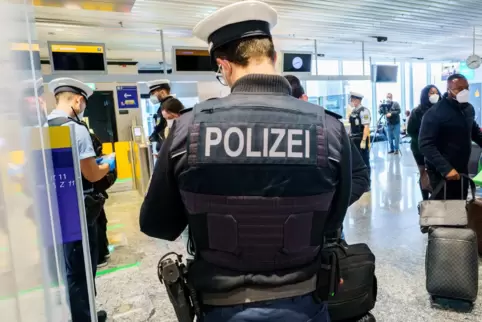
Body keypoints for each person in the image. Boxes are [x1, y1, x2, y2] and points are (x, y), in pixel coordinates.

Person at [140, 1, 353, 321]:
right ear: (274, 57)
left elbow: (157, 223)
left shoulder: (189, 130)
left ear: (224, 65)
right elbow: (333, 219)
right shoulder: (329, 129)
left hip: (221, 305)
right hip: (304, 303)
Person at [47, 78, 116, 322]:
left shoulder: (44, 127)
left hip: (55, 207)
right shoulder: (75, 130)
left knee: (68, 266)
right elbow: (91, 173)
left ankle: (82, 313)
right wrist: (107, 164)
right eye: (83, 102)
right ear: (77, 100)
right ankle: (84, 318)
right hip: (77, 208)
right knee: (82, 267)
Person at [285, 75, 369, 205]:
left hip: (322, 218)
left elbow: (359, 176)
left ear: (304, 99)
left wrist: (331, 209)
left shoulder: (329, 128)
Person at [419, 74, 482, 200]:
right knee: (443, 213)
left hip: (462, 170)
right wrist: (446, 169)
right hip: (441, 173)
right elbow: (425, 144)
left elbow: (474, 131)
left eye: (466, 88)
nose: (464, 92)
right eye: (459, 89)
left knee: (459, 208)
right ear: (449, 91)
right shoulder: (435, 113)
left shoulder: (468, 109)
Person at [407, 85, 441, 200]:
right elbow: (411, 131)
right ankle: (425, 200)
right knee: (424, 173)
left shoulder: (442, 109)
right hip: (419, 149)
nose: (434, 95)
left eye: (436, 92)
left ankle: (436, 197)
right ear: (425, 95)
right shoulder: (417, 111)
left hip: (437, 149)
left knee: (436, 174)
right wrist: (424, 142)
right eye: (431, 93)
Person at [349, 91, 371, 190]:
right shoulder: (353, 111)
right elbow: (351, 126)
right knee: (356, 161)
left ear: (357, 100)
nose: (351, 101)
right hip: (354, 138)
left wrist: (363, 140)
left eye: (353, 100)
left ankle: (367, 184)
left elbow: (366, 127)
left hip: (361, 138)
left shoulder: (364, 111)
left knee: (364, 161)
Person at [147, 79, 173, 155]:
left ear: (162, 92)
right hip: (165, 148)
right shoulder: (163, 106)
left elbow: (163, 127)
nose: (151, 96)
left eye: (153, 93)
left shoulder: (169, 105)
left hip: (169, 148)